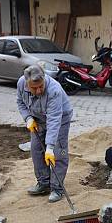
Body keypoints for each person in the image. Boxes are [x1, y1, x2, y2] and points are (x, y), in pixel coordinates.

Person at [16, 65, 72, 203]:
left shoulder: (54, 91)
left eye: (41, 86)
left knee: (58, 153)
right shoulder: (21, 83)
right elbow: (20, 102)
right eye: (34, 88)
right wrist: (28, 118)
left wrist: (50, 147)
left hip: (60, 118)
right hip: (37, 118)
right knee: (36, 150)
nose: (39, 90)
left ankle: (57, 188)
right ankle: (44, 183)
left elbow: (54, 120)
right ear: (27, 83)